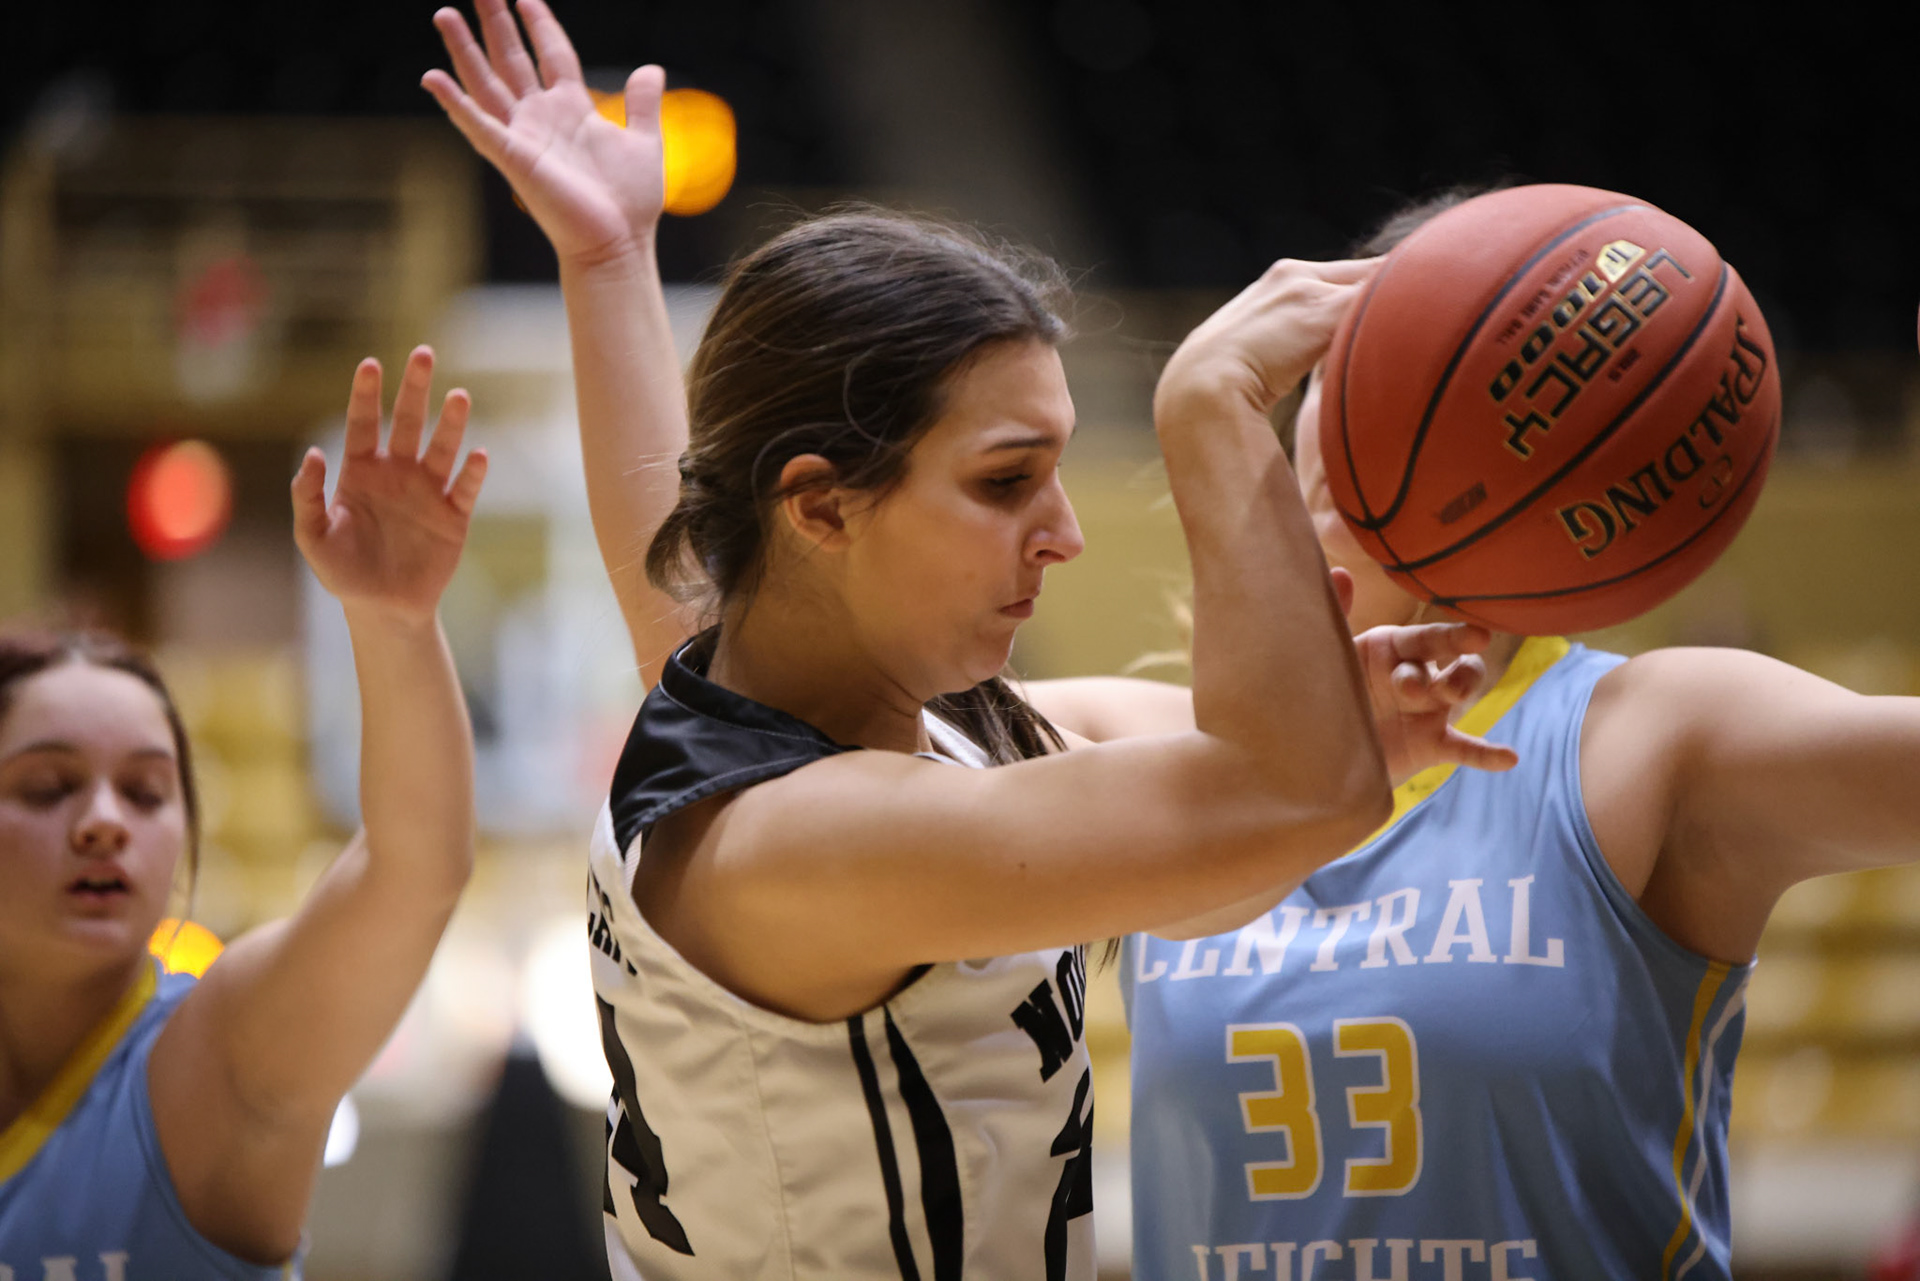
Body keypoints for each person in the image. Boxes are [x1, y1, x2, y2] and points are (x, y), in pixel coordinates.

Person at [422, 4, 1514, 1276]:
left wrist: (609, 258)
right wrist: (1211, 409)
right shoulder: (794, 845)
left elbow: (1254, 827)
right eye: (1007, 483)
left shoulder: (807, 713)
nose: (1063, 537)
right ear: (821, 506)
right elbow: (1288, 798)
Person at [1100, 190, 1920, 1281]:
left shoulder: (1655, 736)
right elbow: (812, 789)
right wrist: (1198, 404)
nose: (1380, 409)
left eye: (1433, 369)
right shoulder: (1127, 743)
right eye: (1361, 363)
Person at [0, 349, 488, 1277]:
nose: (105, 821)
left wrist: (395, 621)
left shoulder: (215, 1058)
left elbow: (414, 867)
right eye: (48, 786)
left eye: (147, 791)